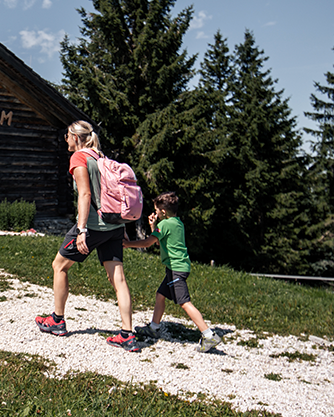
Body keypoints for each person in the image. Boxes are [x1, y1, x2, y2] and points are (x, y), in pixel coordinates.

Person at [35, 120, 139, 352]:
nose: (66, 140)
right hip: (114, 226)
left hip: (92, 225)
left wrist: (81, 230)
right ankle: (127, 334)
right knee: (118, 279)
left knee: (59, 266)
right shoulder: (101, 157)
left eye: (67, 136)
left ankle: (57, 321)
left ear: (76, 137)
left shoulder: (79, 157)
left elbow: (84, 193)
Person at [123, 191, 223, 353]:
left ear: (163, 212)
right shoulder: (177, 223)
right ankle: (154, 327)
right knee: (160, 295)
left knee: (184, 302)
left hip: (176, 270)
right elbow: (159, 242)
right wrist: (153, 227)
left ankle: (208, 334)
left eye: (156, 211)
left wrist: (128, 244)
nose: (155, 213)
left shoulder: (165, 225)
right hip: (177, 268)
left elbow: (149, 243)